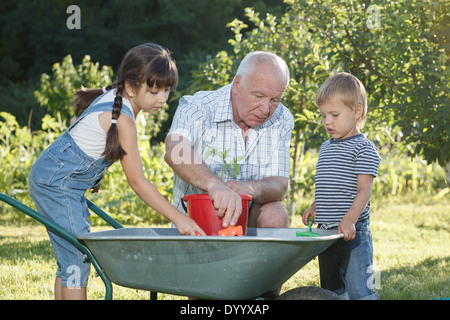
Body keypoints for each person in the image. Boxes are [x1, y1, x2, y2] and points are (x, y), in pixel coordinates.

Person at [28, 43, 205, 300]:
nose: (163, 99)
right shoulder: (123, 117)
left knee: (71, 259)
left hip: (59, 180)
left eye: (167, 90)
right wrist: (180, 218)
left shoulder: (117, 100)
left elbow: (80, 133)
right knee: (79, 257)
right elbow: (137, 181)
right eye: (154, 90)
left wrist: (89, 174)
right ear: (131, 88)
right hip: (56, 184)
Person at [164, 51, 293, 230]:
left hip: (246, 225)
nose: (265, 109)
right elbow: (175, 150)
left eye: (274, 100)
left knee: (275, 213)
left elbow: (279, 185)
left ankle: (262, 258)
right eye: (258, 96)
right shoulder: (198, 107)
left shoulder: (282, 118)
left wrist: (252, 188)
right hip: (195, 224)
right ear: (237, 85)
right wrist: (214, 184)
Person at [302, 72, 381, 300]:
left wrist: (350, 219)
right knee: (331, 287)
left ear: (357, 111)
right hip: (327, 231)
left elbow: (363, 191)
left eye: (334, 115)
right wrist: (316, 206)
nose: (327, 122)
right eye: (323, 115)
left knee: (360, 287)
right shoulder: (326, 147)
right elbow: (328, 184)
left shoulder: (363, 149)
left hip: (354, 232)